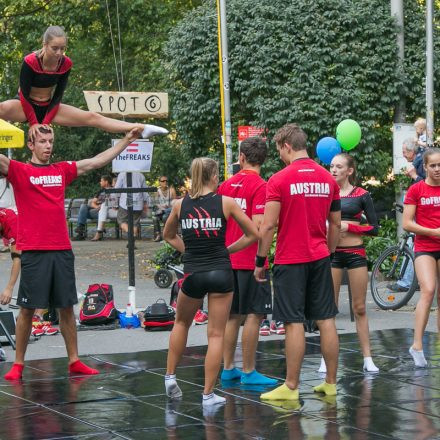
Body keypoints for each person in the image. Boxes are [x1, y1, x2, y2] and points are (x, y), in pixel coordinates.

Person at [0, 124, 144, 380]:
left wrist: (125, 139)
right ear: (30, 145)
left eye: (50, 141)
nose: (48, 146)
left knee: (67, 307)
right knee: (27, 310)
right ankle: (19, 364)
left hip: (62, 250)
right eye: (42, 141)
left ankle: (74, 360)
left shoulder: (61, 170)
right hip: (33, 251)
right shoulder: (19, 170)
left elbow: (97, 161)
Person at [254, 123, 341, 401]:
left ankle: (291, 386)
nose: (279, 155)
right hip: (319, 256)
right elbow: (336, 224)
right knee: (326, 319)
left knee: (293, 322)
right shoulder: (328, 179)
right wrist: (327, 250)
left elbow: (268, 227)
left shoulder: (278, 180)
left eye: (279, 150)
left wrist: (260, 261)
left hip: (291, 259)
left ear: (286, 146)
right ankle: (330, 383)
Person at [163, 157, 259, 407]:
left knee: (181, 323)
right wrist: (229, 250)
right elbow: (253, 234)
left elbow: (167, 235)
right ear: (214, 176)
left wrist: (188, 251)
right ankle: (207, 395)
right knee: (216, 335)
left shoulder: (179, 204)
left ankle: (170, 376)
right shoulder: (226, 203)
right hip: (220, 272)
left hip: (193, 273)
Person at [0, 26, 168, 141]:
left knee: (92, 117)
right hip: (25, 105)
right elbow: (24, 94)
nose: (59, 53)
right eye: (54, 48)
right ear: (44, 45)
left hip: (49, 106)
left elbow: (58, 95)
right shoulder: (30, 61)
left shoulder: (65, 63)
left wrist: (46, 121)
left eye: (63, 48)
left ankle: (142, 128)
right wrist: (34, 123)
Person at [217, 136, 277, 386]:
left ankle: (228, 368)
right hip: (249, 261)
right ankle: (250, 371)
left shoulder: (225, 186)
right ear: (263, 159)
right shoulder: (262, 186)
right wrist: (261, 262)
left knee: (232, 316)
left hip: (227, 261)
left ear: (241, 158)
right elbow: (261, 226)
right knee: (254, 315)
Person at [320, 153, 379, 373]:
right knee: (329, 309)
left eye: (339, 166)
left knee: (360, 307)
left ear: (350, 171)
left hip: (355, 252)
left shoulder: (362, 195)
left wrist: (349, 226)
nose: (333, 170)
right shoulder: (326, 193)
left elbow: (374, 228)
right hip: (332, 254)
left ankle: (368, 357)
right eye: (331, 166)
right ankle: (325, 359)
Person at [403, 148, 440, 367]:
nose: (437, 169)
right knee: (428, 289)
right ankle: (417, 345)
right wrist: (433, 232)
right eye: (433, 165)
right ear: (424, 167)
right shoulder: (417, 189)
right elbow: (407, 223)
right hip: (425, 246)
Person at [73, 175, 113, 240]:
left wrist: (102, 207)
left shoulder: (114, 190)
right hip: (97, 211)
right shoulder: (100, 191)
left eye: (101, 181)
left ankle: (80, 233)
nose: (100, 182)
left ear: (106, 182)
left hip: (107, 211)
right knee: (83, 206)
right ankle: (80, 229)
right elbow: (93, 203)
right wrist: (97, 207)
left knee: (84, 212)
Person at [115, 171, 150, 243]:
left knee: (121, 220)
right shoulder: (141, 175)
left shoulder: (122, 174)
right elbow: (145, 191)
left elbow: (116, 189)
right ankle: (133, 238)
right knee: (135, 223)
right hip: (138, 202)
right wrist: (146, 203)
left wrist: (116, 201)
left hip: (126, 201)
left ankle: (130, 234)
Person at [152, 175, 176, 242]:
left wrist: (169, 206)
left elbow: (175, 202)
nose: (165, 182)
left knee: (165, 217)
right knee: (154, 218)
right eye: (163, 181)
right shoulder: (157, 191)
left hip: (170, 211)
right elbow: (156, 202)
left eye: (166, 181)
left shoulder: (171, 190)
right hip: (161, 210)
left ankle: (166, 236)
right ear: (159, 182)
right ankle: (158, 235)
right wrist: (162, 208)